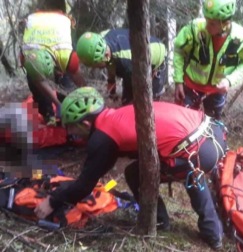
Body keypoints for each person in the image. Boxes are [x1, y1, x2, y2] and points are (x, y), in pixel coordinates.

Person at [34, 87, 227, 250]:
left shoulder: (102, 138)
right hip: (212, 131)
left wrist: (53, 200)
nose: (71, 134)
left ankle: (162, 221)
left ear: (85, 123)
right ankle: (210, 231)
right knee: (181, 166)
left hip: (199, 149)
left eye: (72, 128)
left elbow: (84, 186)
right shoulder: (115, 116)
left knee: (138, 173)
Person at [173, 0, 243, 120]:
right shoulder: (195, 28)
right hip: (190, 87)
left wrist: (229, 81)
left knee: (211, 127)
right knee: (182, 122)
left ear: (225, 23)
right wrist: (178, 81)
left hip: (216, 92)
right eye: (206, 20)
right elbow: (179, 50)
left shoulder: (242, 39)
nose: (206, 26)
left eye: (212, 24)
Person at [20, 0, 85, 126]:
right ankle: (48, 114)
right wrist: (58, 105)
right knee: (34, 82)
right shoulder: (27, 57)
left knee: (67, 84)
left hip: (59, 35)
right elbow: (39, 81)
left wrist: (88, 95)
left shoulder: (66, 55)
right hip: (36, 46)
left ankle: (68, 111)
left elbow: (77, 77)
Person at [76, 29, 167, 104]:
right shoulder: (102, 37)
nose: (95, 68)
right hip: (133, 54)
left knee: (146, 102)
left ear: (106, 55)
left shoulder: (127, 62)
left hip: (157, 54)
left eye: (96, 65)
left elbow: (135, 86)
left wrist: (153, 71)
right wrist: (111, 83)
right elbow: (110, 62)